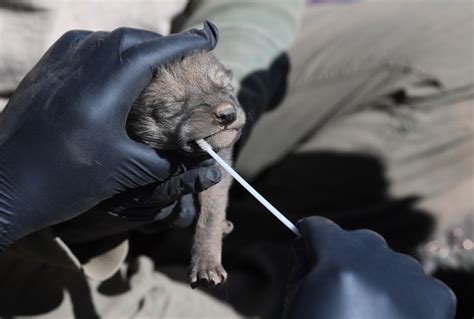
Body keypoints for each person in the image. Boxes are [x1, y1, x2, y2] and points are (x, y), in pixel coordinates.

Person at [0, 0, 472, 317]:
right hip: (16, 247)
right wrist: (13, 202)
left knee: (462, 41)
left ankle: (238, 265)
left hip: (173, 93)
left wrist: (220, 94)